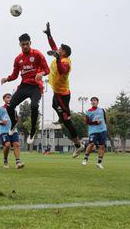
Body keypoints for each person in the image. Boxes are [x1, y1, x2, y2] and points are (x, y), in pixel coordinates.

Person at [1, 33, 50, 145]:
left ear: (30, 43)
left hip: (36, 86)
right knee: (10, 105)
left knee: (34, 106)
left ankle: (32, 132)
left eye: (27, 44)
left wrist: (41, 73)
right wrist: (7, 79)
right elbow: (15, 75)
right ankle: (13, 123)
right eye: (23, 44)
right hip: (24, 86)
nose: (25, 46)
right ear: (20, 45)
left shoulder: (37, 54)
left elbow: (47, 69)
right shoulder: (18, 59)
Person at [43, 22, 82, 158]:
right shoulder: (59, 56)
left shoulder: (65, 62)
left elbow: (62, 70)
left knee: (66, 121)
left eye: (60, 49)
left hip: (63, 95)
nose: (57, 48)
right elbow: (53, 46)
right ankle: (62, 116)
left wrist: (57, 58)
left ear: (63, 52)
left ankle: (78, 145)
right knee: (55, 107)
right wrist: (49, 35)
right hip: (56, 93)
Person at [0, 93, 25, 169]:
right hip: (4, 131)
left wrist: (17, 119)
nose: (9, 99)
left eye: (10, 98)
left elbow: (16, 119)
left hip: (13, 130)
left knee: (16, 144)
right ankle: (5, 160)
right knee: (7, 145)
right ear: (4, 99)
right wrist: (2, 122)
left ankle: (18, 162)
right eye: (7, 97)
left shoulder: (14, 109)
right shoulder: (0, 109)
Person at [82, 97, 107, 169]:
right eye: (92, 101)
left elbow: (104, 119)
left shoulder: (102, 110)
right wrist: (95, 122)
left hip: (103, 130)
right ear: (91, 103)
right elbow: (87, 122)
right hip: (93, 131)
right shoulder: (88, 111)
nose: (93, 102)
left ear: (97, 102)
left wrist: (104, 127)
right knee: (91, 144)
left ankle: (99, 162)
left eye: (95, 100)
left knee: (102, 146)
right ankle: (85, 158)